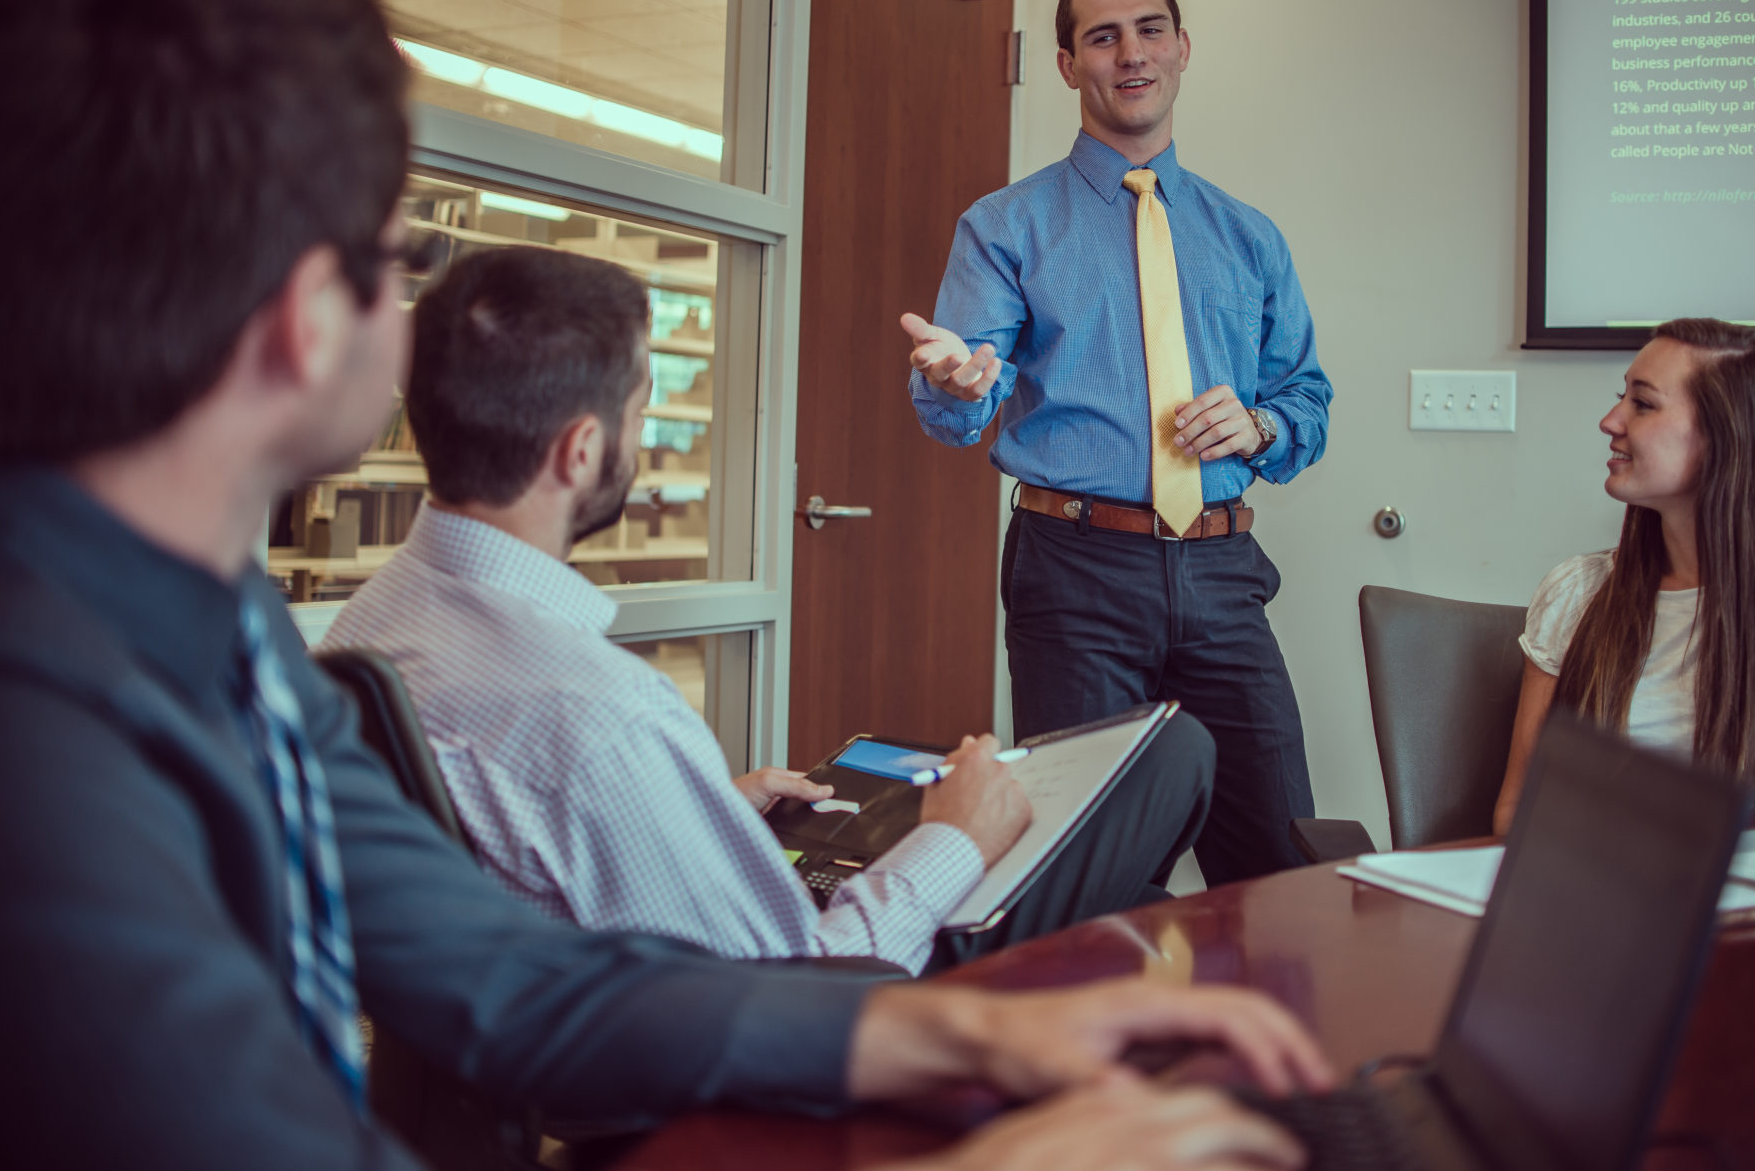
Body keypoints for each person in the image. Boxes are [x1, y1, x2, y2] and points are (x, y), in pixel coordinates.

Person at [0, 0, 1334, 1168]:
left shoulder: (226, 642)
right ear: (299, 320)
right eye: (400, 261)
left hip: (1212, 560)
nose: (416, 323)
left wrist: (949, 1025)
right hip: (1073, 556)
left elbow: (509, 982)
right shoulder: (44, 773)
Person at [324, 245, 1215, 974]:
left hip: (580, 1010)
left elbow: (537, 829)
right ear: (581, 449)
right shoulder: (596, 712)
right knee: (1173, 757)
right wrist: (951, 841)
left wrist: (695, 807)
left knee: (1130, 903)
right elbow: (806, 985)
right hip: (809, 1033)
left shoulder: (375, 620)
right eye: (638, 417)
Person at [900, 0, 1333, 886]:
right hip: (1075, 573)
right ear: (1067, 63)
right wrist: (957, 383)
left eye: (1148, 30)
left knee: (1278, 854)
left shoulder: (1248, 235)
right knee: (1090, 865)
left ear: (1181, 48)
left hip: (1221, 571)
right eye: (1102, 36)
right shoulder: (1004, 225)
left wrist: (1259, 428)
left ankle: (1260, 1033)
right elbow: (957, 400)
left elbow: (1307, 400)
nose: (1129, 53)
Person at [1492, 318, 1755, 832]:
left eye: (1642, 404)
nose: (1610, 421)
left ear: (1726, 436)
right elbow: (1518, 811)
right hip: (1598, 901)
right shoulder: (1576, 592)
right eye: (1621, 397)